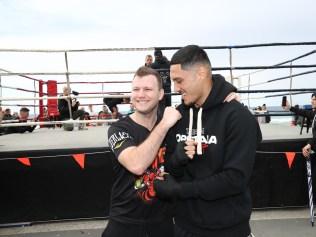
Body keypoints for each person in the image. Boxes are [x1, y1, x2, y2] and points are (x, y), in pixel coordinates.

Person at [153, 45, 262, 237]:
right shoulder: (179, 115)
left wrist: (180, 190)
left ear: (201, 73)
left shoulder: (238, 117)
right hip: (183, 226)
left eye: (179, 81)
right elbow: (170, 168)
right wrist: (177, 160)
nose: (176, 88)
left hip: (227, 230)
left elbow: (235, 179)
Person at [103, 66, 186, 237]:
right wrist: (163, 125)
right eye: (136, 89)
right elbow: (136, 164)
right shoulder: (118, 128)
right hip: (124, 223)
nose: (140, 95)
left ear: (161, 94)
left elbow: (203, 104)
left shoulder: (173, 121)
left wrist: (227, 98)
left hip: (163, 224)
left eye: (147, 89)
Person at [283, 93, 316, 157]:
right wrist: (290, 107)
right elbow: (304, 112)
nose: (312, 101)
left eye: (314, 99)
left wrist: (309, 144)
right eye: (312, 99)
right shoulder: (314, 113)